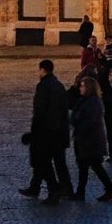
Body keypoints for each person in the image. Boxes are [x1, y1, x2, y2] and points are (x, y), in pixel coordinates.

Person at [20, 59, 73, 203]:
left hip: (46, 131)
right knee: (55, 161)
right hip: (59, 130)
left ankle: (55, 189)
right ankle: (37, 187)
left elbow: (40, 111)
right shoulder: (59, 85)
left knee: (42, 161)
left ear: (42, 70)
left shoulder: (43, 86)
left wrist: (34, 132)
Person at [69, 76, 112, 202]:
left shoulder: (93, 102)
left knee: (94, 166)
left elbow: (89, 122)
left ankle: (109, 190)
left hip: (90, 141)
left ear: (88, 87)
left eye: (83, 85)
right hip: (85, 140)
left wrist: (77, 124)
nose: (80, 87)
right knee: (85, 167)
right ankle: (81, 192)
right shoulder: (85, 100)